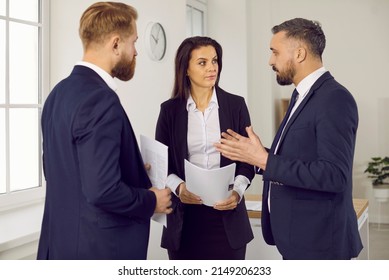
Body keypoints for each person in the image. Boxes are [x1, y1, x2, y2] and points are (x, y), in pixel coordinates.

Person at [214, 18, 363, 260]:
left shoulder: (334, 99)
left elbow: (334, 175)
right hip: (299, 242)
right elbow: (301, 156)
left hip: (321, 247)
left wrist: (265, 161)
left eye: (275, 52)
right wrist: (253, 153)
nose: (270, 61)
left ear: (300, 53)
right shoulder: (300, 95)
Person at [37, 2, 172, 260]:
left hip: (59, 247)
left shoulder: (57, 94)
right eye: (134, 42)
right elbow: (102, 190)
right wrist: (150, 201)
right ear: (116, 44)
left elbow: (62, 169)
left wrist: (124, 168)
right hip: (96, 251)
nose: (135, 52)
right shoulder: (101, 99)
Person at [155, 36, 255, 260]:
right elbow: (162, 164)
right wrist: (180, 188)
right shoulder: (169, 111)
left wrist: (237, 192)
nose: (212, 68)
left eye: (215, 61)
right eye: (202, 62)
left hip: (227, 219)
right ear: (186, 69)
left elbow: (248, 160)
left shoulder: (235, 105)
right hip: (185, 220)